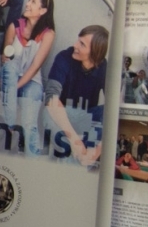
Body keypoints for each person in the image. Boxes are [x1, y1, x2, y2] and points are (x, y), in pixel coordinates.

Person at [0, 0, 54, 155]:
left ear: (43, 10)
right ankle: (10, 124)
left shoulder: (48, 34)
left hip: (31, 80)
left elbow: (35, 66)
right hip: (10, 76)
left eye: (33, 2)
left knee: (30, 123)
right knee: (9, 67)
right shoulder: (14, 27)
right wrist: (5, 55)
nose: (27, 4)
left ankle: (32, 160)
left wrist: (17, 86)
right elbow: (6, 58)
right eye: (29, 0)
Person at [44, 24, 110, 167]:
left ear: (95, 54)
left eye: (82, 44)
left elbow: (114, 110)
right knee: (50, 112)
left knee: (109, 110)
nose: (75, 45)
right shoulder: (63, 58)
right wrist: (75, 141)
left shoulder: (104, 67)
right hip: (59, 116)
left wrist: (95, 153)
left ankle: (82, 158)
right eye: (78, 40)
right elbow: (51, 99)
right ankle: (73, 157)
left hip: (83, 116)